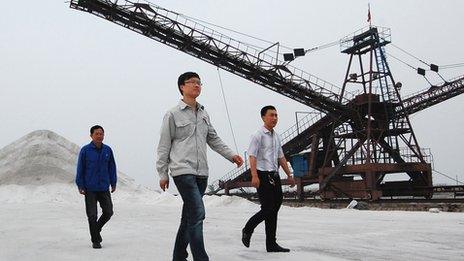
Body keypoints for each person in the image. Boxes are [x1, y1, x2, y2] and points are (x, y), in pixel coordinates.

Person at [157, 72, 244, 261]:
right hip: (182, 171)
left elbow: (213, 138)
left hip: (201, 173)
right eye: (192, 82)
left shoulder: (204, 113)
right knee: (197, 212)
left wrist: (231, 155)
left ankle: (178, 256)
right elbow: (164, 145)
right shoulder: (172, 114)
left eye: (199, 83)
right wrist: (163, 173)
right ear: (182, 86)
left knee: (188, 217)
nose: (197, 85)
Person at [241, 105, 295, 252]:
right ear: (263, 117)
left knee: (275, 209)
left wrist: (289, 175)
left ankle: (271, 244)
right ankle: (248, 229)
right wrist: (254, 176)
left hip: (274, 175)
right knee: (267, 209)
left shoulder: (277, 136)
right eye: (271, 115)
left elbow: (281, 157)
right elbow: (252, 156)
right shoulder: (257, 135)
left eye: (276, 115)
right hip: (262, 175)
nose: (274, 118)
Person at [76, 125, 117, 249]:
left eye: (101, 134)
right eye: (97, 134)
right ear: (91, 135)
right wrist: (80, 184)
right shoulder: (85, 150)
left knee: (109, 212)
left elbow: (112, 167)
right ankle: (96, 240)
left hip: (104, 187)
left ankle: (96, 229)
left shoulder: (107, 150)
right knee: (92, 215)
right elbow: (80, 168)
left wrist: (113, 182)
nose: (100, 136)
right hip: (90, 188)